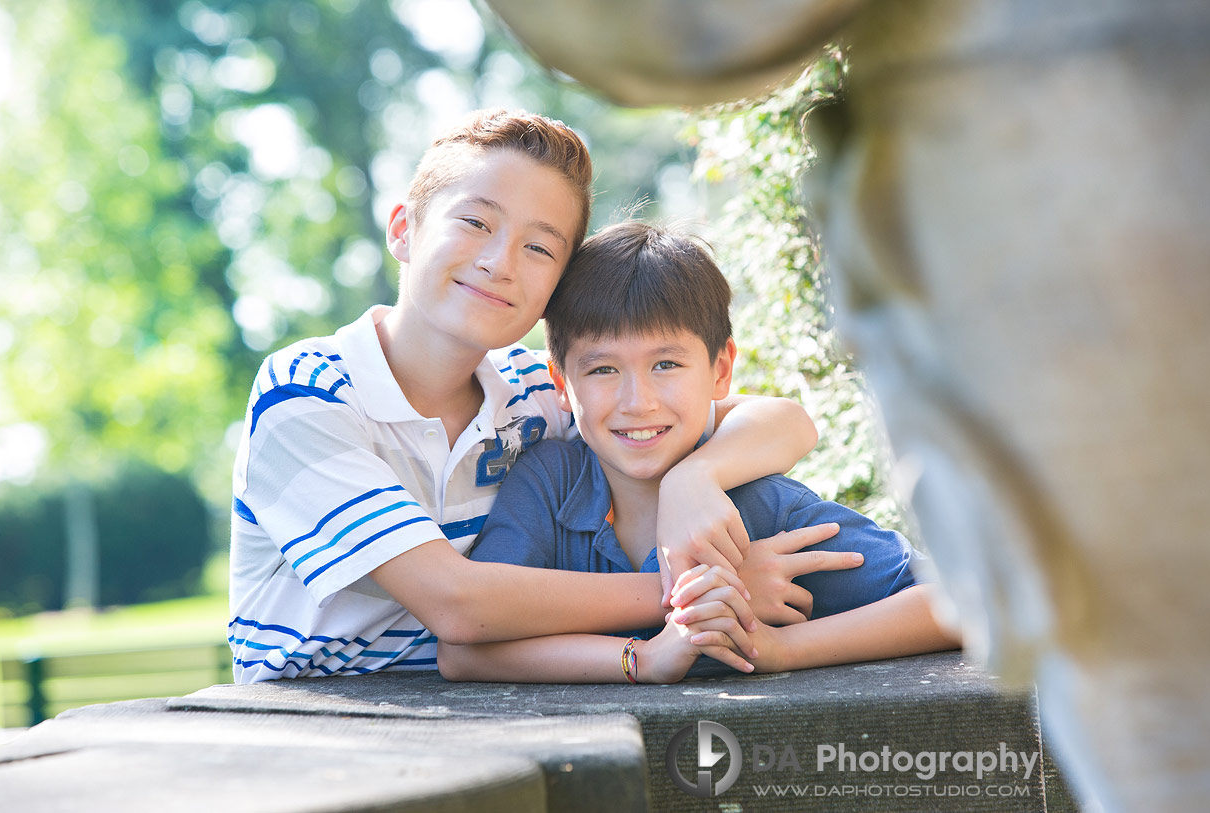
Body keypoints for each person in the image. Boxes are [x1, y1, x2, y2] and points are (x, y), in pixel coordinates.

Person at [227, 109, 842, 683]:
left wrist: (696, 478)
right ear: (403, 230)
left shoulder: (533, 392)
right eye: (474, 222)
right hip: (314, 712)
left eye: (539, 247)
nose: (500, 262)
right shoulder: (309, 393)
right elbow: (455, 604)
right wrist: (700, 588)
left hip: (505, 700)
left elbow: (783, 421)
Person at [438, 222, 961, 683]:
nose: (636, 403)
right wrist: (641, 658)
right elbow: (464, 654)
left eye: (666, 364)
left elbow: (964, 601)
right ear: (561, 383)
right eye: (602, 370)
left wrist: (777, 648)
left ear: (720, 369)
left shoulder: (764, 506)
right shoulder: (548, 483)